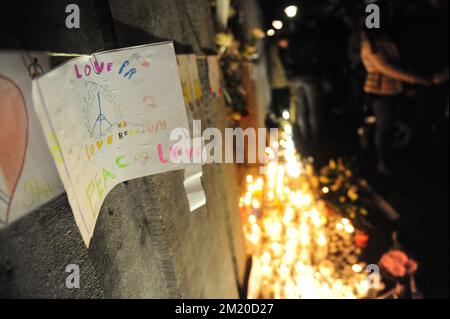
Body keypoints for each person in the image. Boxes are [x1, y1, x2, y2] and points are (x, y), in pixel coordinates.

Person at [361, 7, 435, 175]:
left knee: (388, 125)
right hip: (380, 90)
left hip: (392, 88)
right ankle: (382, 161)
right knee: (384, 127)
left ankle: (386, 158)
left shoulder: (381, 40)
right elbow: (388, 68)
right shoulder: (370, 43)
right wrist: (418, 79)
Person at [268, 36, 290, 118]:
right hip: (278, 81)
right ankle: (278, 116)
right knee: (278, 101)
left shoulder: (282, 51)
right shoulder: (275, 49)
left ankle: (280, 116)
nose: (286, 44)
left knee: (284, 101)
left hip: (282, 82)